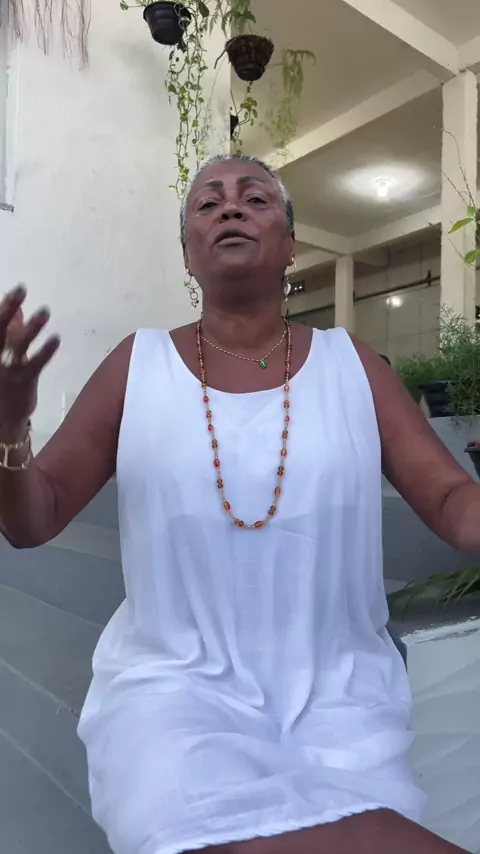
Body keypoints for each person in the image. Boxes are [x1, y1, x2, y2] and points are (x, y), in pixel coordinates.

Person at [0, 154, 477, 854]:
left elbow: (449, 497)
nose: (229, 207)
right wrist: (8, 430)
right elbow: (32, 518)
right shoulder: (137, 366)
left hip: (340, 705)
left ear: (290, 245)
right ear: (186, 254)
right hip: (173, 698)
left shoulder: (354, 367)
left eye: (255, 198)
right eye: (208, 202)